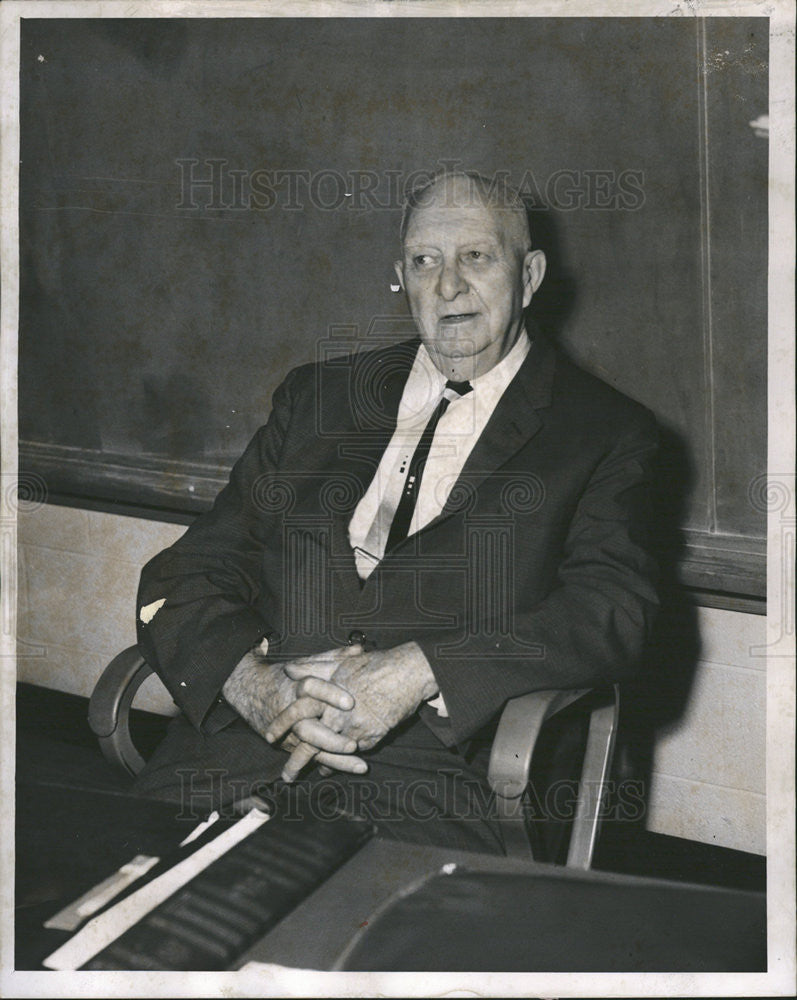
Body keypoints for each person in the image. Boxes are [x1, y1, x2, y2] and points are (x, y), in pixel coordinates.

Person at [132, 170, 659, 856]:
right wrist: (251, 683)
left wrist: (417, 670)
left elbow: (610, 609)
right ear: (400, 276)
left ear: (527, 276)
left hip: (424, 782)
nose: (447, 286)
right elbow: (191, 569)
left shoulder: (603, 431)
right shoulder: (318, 399)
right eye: (423, 261)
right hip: (234, 753)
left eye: (475, 256)